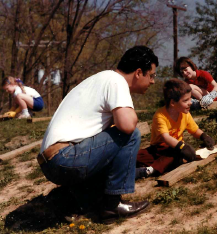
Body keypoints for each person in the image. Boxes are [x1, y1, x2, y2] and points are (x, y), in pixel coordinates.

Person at [38, 46, 158, 224]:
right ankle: (112, 205)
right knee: (130, 135)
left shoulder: (99, 80)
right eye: (152, 75)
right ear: (139, 73)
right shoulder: (116, 81)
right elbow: (127, 125)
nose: (153, 81)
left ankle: (76, 200)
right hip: (65, 158)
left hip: (51, 163)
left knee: (110, 141)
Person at [136, 78, 215, 178]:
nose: (190, 102)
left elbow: (194, 130)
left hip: (175, 149)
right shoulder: (160, 115)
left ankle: (149, 170)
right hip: (159, 148)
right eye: (186, 100)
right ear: (173, 103)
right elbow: (166, 138)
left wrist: (204, 136)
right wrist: (183, 147)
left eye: (190, 98)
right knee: (137, 156)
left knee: (173, 156)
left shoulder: (185, 113)